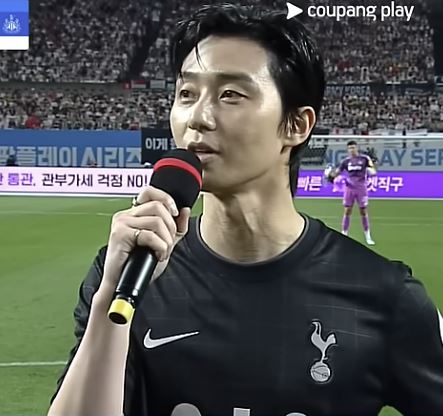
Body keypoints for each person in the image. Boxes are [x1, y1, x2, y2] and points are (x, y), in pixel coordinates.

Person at [48, 4, 443, 416]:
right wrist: (109, 302)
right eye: (186, 94)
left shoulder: (383, 295)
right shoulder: (128, 275)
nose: (197, 117)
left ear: (296, 125)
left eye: (230, 95)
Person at [330, 140, 377, 245]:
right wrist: (331, 175)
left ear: (357, 148)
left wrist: (371, 171)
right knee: (347, 211)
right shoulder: (346, 161)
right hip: (349, 188)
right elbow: (337, 172)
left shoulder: (364, 159)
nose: (352, 150)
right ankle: (344, 234)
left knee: (363, 211)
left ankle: (368, 236)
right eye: (350, 148)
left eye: (353, 147)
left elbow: (373, 170)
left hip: (361, 188)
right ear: (348, 150)